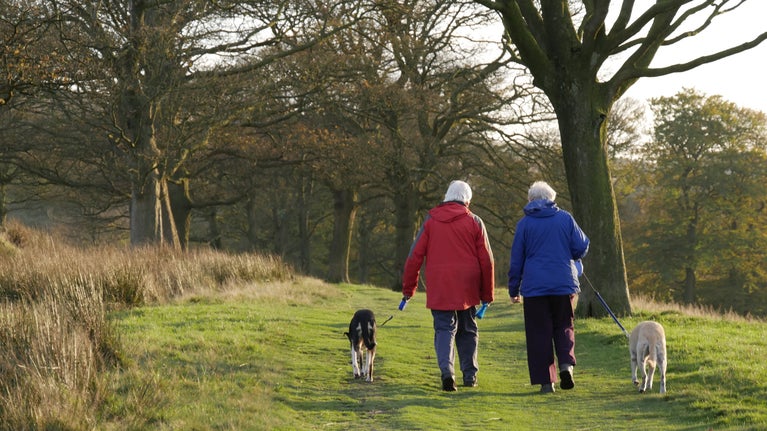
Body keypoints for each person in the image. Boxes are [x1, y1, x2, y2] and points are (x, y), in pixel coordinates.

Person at [402, 180, 495, 391]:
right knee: (468, 329)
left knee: (444, 328)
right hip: (467, 284)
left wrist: (409, 289)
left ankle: (447, 373)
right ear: (467, 200)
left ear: (446, 196)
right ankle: (470, 376)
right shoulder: (475, 221)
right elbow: (487, 261)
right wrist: (487, 295)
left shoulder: (431, 221)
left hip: (440, 282)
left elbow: (414, 257)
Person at [507, 181, 589, 393]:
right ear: (552, 199)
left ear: (531, 200)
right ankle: (566, 366)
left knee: (538, 332)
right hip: (563, 283)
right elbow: (581, 246)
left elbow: (516, 260)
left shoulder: (524, 224)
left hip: (535, 288)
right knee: (564, 326)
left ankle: (546, 382)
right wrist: (570, 254)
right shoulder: (565, 218)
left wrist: (513, 289)